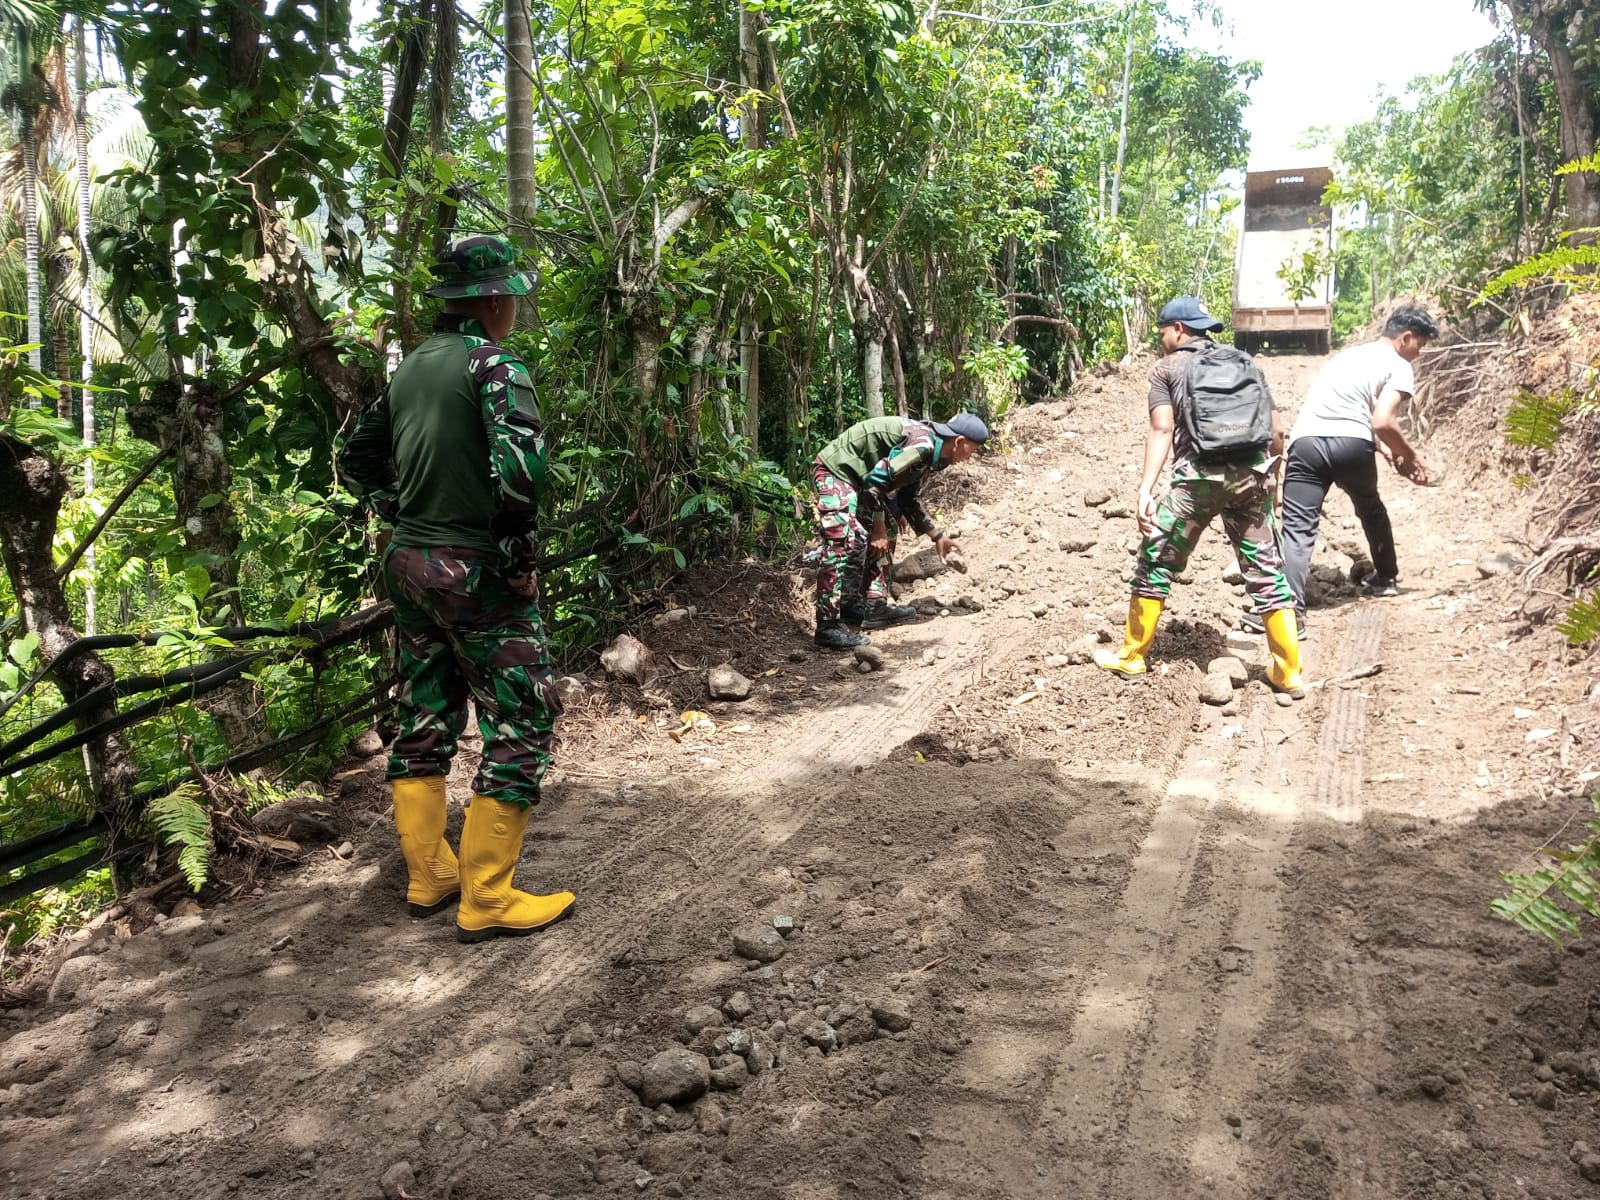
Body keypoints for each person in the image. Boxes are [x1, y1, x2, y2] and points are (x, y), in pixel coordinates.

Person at [339, 234, 575, 944]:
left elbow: (355, 456)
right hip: (475, 569)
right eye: (514, 298)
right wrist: (516, 552)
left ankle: (429, 874)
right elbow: (521, 473)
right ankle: (489, 897)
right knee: (523, 720)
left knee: (426, 712)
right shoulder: (494, 365)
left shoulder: (411, 369)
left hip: (410, 565)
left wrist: (397, 510)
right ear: (496, 298)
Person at [1095, 295, 1304, 696]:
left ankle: (1132, 655)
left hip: (1196, 482)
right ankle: (1289, 671)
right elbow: (1277, 432)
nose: (1161, 341)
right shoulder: (1246, 364)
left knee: (1156, 560)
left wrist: (1145, 488)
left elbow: (1160, 430)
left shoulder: (1166, 368)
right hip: (1251, 479)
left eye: (1162, 333)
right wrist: (1272, 479)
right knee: (1267, 573)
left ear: (1178, 330)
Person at [1264, 304, 1437, 627]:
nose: (1418, 353)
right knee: (1369, 506)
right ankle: (1385, 578)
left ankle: (1289, 614)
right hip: (1351, 446)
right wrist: (1410, 456)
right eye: (1420, 345)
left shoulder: (1346, 357)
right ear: (1406, 337)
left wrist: (1382, 446)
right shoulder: (1398, 364)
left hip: (1307, 443)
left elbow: (1344, 405)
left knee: (1298, 529)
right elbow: (1383, 420)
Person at [811, 413, 988, 650]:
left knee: (890, 525)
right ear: (958, 441)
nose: (969, 457)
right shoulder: (923, 445)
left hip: (861, 482)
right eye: (971, 450)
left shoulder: (935, 455)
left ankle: (873, 607)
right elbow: (875, 483)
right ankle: (827, 627)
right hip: (838, 471)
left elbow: (906, 497)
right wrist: (877, 529)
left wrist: (937, 536)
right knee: (840, 538)